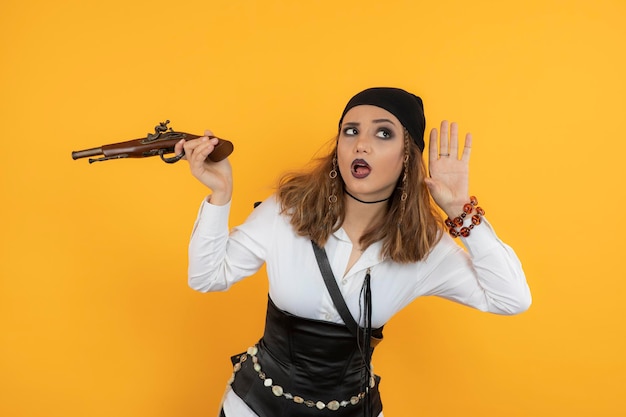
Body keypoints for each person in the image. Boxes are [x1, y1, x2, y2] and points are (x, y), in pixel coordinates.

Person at [174, 87, 532, 417]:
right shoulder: (287, 211)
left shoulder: (426, 248)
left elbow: (511, 299)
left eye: (383, 133)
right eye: (350, 131)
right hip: (253, 408)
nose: (361, 144)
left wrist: (460, 210)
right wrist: (220, 194)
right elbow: (207, 277)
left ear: (408, 155)